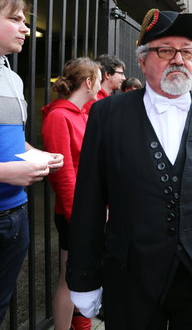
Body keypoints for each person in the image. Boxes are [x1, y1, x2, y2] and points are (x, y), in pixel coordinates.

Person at [66, 10, 192, 330]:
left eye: (187, 51)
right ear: (142, 61)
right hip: (133, 273)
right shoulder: (107, 115)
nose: (179, 59)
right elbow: (89, 199)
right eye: (166, 50)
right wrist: (83, 277)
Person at [0, 0, 63, 325]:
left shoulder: (13, 77)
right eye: (15, 19)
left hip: (15, 214)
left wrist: (42, 154)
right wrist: (4, 173)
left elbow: (15, 144)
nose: (26, 28)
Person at [42, 57, 101, 330]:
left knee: (84, 274)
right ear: (88, 82)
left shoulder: (82, 113)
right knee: (69, 277)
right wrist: (78, 217)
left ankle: (82, 324)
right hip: (74, 212)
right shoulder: (58, 116)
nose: (100, 85)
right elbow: (63, 174)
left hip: (89, 209)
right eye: (97, 79)